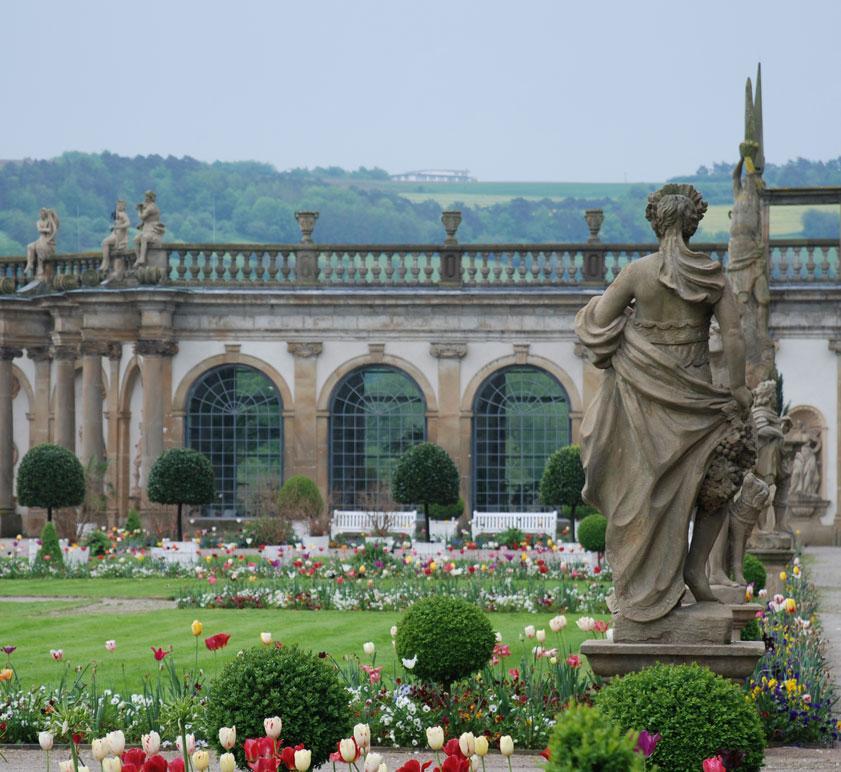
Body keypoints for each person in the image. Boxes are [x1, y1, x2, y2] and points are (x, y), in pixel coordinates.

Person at [575, 184, 751, 623]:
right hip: (695, 392)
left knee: (642, 489)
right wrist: (740, 389)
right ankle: (694, 570)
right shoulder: (711, 274)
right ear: (693, 224)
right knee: (714, 485)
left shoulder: (638, 273)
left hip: (643, 392)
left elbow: (598, 321)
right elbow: (732, 335)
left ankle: (636, 585)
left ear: (655, 222)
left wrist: (625, 325)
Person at [100, 199, 130, 272]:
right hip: (116, 234)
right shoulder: (118, 214)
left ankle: (106, 262)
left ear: (123, 207)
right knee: (105, 243)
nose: (119, 206)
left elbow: (128, 223)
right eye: (118, 205)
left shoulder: (123, 214)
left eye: (121, 205)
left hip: (119, 236)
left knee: (105, 242)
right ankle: (106, 262)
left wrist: (117, 227)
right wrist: (114, 227)